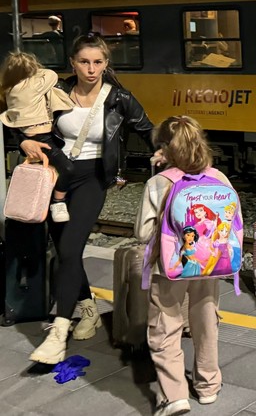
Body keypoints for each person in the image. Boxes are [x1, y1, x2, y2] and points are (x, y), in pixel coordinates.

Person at [20, 34, 154, 365]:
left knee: (69, 249)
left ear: (106, 64)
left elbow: (149, 130)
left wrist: (177, 156)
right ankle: (88, 307)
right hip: (55, 176)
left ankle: (59, 333)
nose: (91, 69)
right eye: (84, 62)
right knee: (63, 247)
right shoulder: (55, 93)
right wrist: (23, 143)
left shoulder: (119, 97)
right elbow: (22, 122)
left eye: (98, 62)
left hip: (93, 179)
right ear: (72, 63)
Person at [135, 116, 232, 416]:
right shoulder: (219, 177)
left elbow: (141, 232)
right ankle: (208, 385)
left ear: (165, 147)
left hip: (171, 267)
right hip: (211, 264)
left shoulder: (159, 182)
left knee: (166, 326)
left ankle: (174, 396)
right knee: (205, 321)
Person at [0, 52, 76, 222]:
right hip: (42, 138)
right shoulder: (32, 87)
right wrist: (38, 70)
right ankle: (58, 202)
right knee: (68, 169)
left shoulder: (10, 90)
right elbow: (52, 75)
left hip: (30, 135)